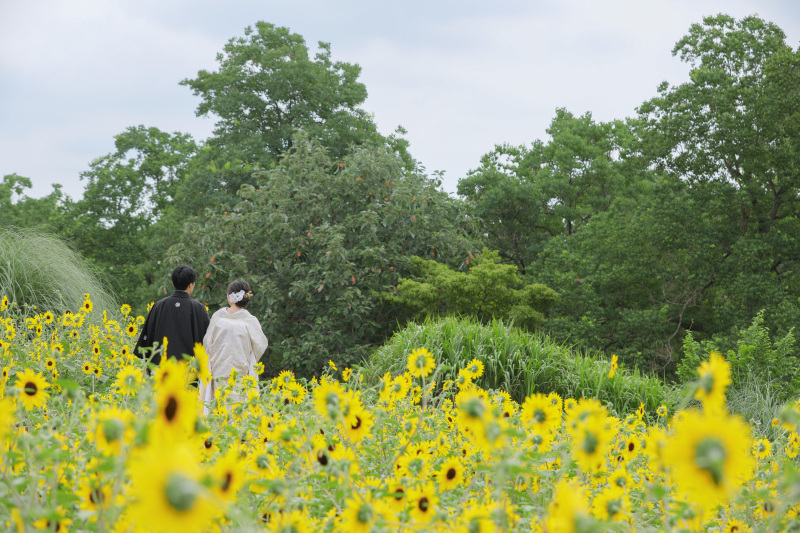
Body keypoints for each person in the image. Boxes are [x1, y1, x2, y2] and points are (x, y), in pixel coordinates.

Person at [199, 280, 268, 412]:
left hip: (219, 372)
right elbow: (259, 346)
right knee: (239, 414)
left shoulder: (218, 318)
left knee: (219, 413)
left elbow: (207, 344)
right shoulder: (250, 321)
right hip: (241, 373)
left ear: (229, 296)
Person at [134, 265, 210, 366]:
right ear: (191, 285)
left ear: (174, 282)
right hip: (188, 372)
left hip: (160, 371)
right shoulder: (198, 308)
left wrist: (148, 364)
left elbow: (147, 337)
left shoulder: (158, 305)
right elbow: (208, 340)